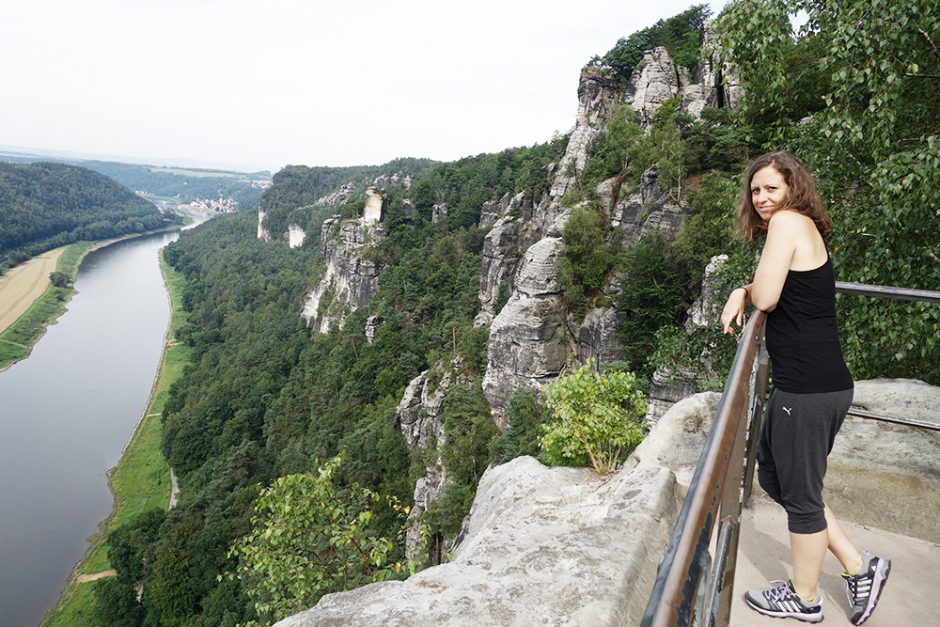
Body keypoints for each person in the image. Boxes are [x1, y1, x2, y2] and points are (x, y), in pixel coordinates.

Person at [719, 152, 890, 625]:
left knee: (800, 496)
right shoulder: (799, 225)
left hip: (809, 389)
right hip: (807, 384)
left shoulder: (788, 222)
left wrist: (745, 291)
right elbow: (772, 286)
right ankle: (859, 565)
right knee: (778, 478)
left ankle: (806, 596)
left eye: (770, 188)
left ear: (792, 189)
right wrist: (743, 288)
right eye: (755, 190)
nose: (761, 198)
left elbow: (768, 295)